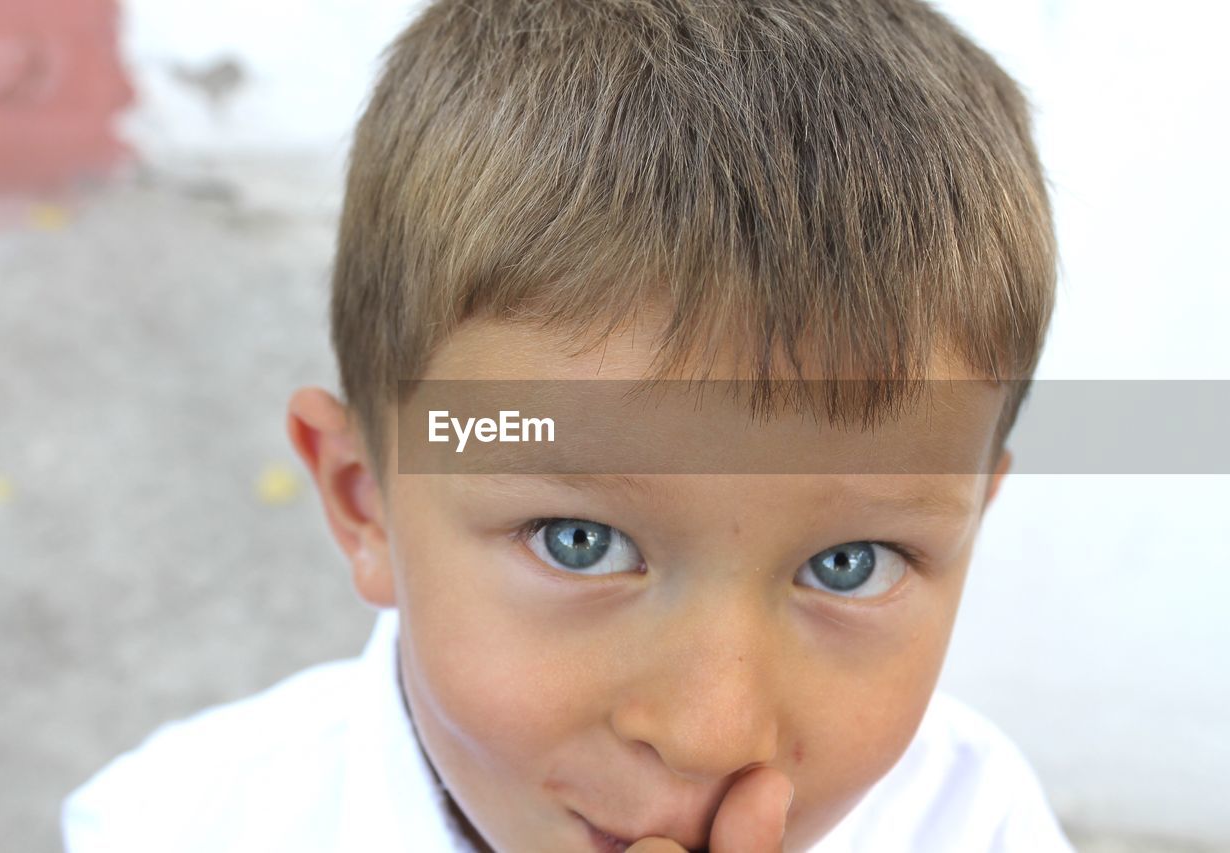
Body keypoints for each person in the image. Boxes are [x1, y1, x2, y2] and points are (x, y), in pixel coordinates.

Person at [62, 0, 1075, 850]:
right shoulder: (176, 823)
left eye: (849, 562)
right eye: (577, 542)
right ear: (361, 498)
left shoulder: (973, 820)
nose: (709, 732)